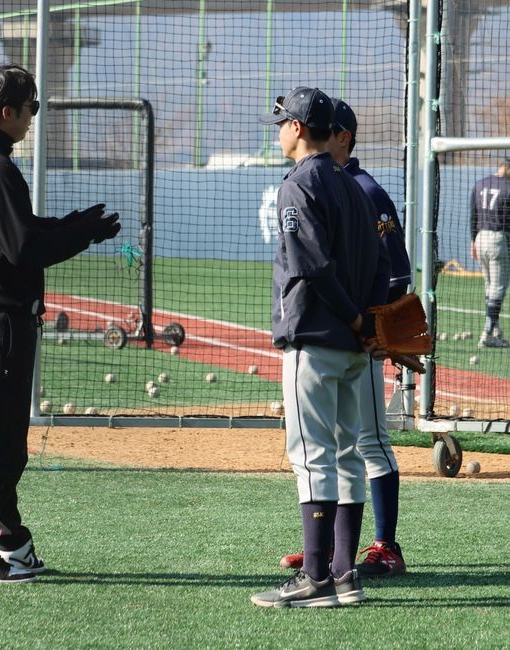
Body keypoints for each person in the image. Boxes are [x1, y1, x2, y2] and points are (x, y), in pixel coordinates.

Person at [0, 64, 121, 584]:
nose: (33, 117)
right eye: (32, 108)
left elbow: (14, 233)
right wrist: (81, 236)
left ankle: (9, 539)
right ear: (8, 113)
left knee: (5, 442)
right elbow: (22, 249)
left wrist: (73, 226)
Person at [250, 87, 390, 608]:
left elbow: (311, 266)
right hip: (355, 348)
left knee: (311, 457)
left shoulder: (300, 184)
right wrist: (368, 325)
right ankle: (344, 574)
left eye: (283, 121)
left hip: (316, 339)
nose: (279, 129)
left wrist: (354, 318)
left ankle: (314, 579)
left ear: (299, 128)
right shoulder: (353, 187)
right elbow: (379, 268)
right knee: (350, 457)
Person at [278, 98, 411, 577]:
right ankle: (336, 554)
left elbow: (396, 271)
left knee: (367, 442)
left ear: (343, 137)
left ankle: (384, 545)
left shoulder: (364, 190)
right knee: (342, 448)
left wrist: (372, 328)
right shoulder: (338, 185)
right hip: (349, 330)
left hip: (357, 336)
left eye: (335, 128)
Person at [470, 158, 510, 348]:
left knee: (489, 287)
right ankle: (486, 333)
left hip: (480, 237)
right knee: (499, 288)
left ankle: (495, 331)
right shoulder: (508, 187)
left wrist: (473, 241)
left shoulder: (480, 184)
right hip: (498, 239)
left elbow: (473, 214)